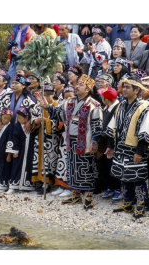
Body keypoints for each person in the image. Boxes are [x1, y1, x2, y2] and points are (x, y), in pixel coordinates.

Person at [37, 74, 103, 210]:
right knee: (72, 167)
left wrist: (95, 142)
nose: (77, 86)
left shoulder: (94, 105)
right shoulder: (69, 102)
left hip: (85, 141)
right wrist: (46, 106)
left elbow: (97, 126)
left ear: (88, 89)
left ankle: (89, 197)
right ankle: (75, 195)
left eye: (80, 85)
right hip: (70, 140)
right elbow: (57, 114)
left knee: (86, 168)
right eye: (77, 83)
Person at [104, 76, 149, 219]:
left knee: (138, 177)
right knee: (124, 177)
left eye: (127, 87)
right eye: (123, 86)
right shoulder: (120, 105)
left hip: (135, 149)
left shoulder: (144, 107)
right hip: (121, 147)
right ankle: (127, 202)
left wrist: (140, 151)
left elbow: (146, 129)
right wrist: (110, 146)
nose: (124, 89)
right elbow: (112, 127)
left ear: (137, 90)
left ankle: (140, 204)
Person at [31, 84, 60, 194]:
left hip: (52, 138)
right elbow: (32, 119)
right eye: (44, 95)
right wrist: (35, 121)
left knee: (50, 161)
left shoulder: (57, 106)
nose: (45, 97)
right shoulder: (37, 106)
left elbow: (58, 122)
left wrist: (46, 121)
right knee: (38, 158)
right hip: (39, 136)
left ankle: (48, 182)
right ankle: (38, 181)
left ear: (53, 94)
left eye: (48, 95)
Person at [96, 87, 121, 200]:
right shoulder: (106, 108)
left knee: (113, 166)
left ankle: (118, 189)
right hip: (104, 142)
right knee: (105, 166)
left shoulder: (118, 108)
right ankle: (109, 187)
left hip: (114, 142)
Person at [6, 107, 37, 194]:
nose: (19, 120)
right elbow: (12, 139)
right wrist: (14, 151)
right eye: (17, 118)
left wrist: (31, 122)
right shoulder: (16, 126)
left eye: (20, 118)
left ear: (27, 118)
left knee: (28, 167)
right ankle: (13, 185)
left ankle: (27, 185)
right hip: (19, 152)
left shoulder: (32, 126)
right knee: (16, 167)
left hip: (29, 152)